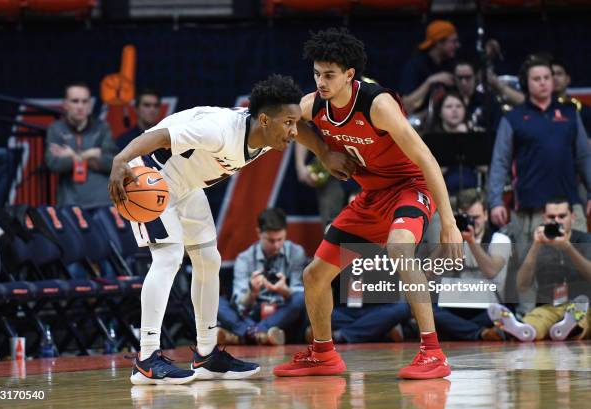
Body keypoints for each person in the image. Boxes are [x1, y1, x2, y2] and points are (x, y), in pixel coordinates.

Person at [108, 74, 356, 385]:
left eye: (294, 123)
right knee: (169, 258)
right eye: (288, 123)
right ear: (265, 120)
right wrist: (120, 160)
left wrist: (324, 153)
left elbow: (303, 128)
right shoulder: (219, 131)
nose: (293, 131)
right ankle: (145, 359)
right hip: (149, 178)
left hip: (186, 186)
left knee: (209, 260)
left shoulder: (268, 133)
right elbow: (159, 135)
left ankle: (207, 354)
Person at [273, 28, 463, 380]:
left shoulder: (378, 105)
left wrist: (449, 223)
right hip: (371, 196)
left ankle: (433, 352)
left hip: (409, 187)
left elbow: (426, 159)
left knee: (399, 248)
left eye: (329, 75)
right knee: (314, 276)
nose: (321, 82)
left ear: (349, 74)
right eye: (316, 74)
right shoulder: (314, 103)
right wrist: (325, 153)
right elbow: (287, 121)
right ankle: (323, 353)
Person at [489, 55, 591, 255]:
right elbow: (500, 162)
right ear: (526, 83)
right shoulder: (513, 118)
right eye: (537, 79)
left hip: (569, 206)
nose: (543, 82)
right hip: (531, 208)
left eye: (547, 77)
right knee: (532, 270)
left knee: (580, 269)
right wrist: (495, 201)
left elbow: (584, 157)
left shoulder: (570, 114)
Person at [489, 197, 591, 341]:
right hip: (549, 307)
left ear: (572, 217)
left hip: (582, 306)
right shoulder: (536, 243)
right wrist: (535, 246)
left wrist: (567, 247)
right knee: (535, 321)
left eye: (562, 216)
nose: (556, 221)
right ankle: (522, 330)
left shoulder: (585, 240)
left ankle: (572, 329)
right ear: (544, 218)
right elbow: (521, 285)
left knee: (583, 320)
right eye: (551, 217)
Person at [217, 208, 307, 345]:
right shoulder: (244, 259)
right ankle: (260, 334)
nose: (276, 245)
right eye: (271, 240)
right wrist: (252, 292)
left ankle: (248, 334)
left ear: (286, 233)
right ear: (259, 233)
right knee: (215, 303)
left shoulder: (296, 252)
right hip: (255, 313)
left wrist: (283, 290)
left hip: (284, 313)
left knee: (302, 298)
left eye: (280, 239)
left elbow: (299, 296)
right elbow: (240, 304)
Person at [431, 189, 511, 341]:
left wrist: (471, 241)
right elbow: (428, 272)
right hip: (454, 307)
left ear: (486, 215)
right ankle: (480, 333)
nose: (471, 222)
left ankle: (461, 331)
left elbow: (491, 270)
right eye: (466, 217)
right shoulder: (452, 240)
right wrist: (446, 240)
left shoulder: (500, 239)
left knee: (501, 315)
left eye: (476, 217)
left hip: (488, 309)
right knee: (427, 311)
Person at [45, 82, 117, 208]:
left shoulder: (102, 128)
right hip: (69, 203)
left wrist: (73, 156)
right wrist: (89, 154)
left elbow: (112, 163)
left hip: (103, 202)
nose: (80, 106)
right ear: (65, 104)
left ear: (90, 104)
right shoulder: (55, 129)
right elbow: (53, 164)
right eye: (75, 101)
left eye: (85, 101)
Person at [399, 20, 460, 116]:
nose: (457, 45)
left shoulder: (452, 65)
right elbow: (406, 106)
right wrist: (430, 81)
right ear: (439, 42)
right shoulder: (415, 66)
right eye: (453, 41)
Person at [427, 92, 483, 195]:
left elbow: (484, 168)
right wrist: (455, 140)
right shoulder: (431, 139)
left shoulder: (473, 135)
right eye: (449, 106)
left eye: (459, 106)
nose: (454, 110)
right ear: (440, 112)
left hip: (471, 193)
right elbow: (434, 174)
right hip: (441, 195)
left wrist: (466, 139)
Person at [116, 88, 163, 152]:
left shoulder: (166, 139)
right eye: (147, 105)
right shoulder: (124, 141)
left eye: (156, 106)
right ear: (136, 109)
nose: (152, 110)